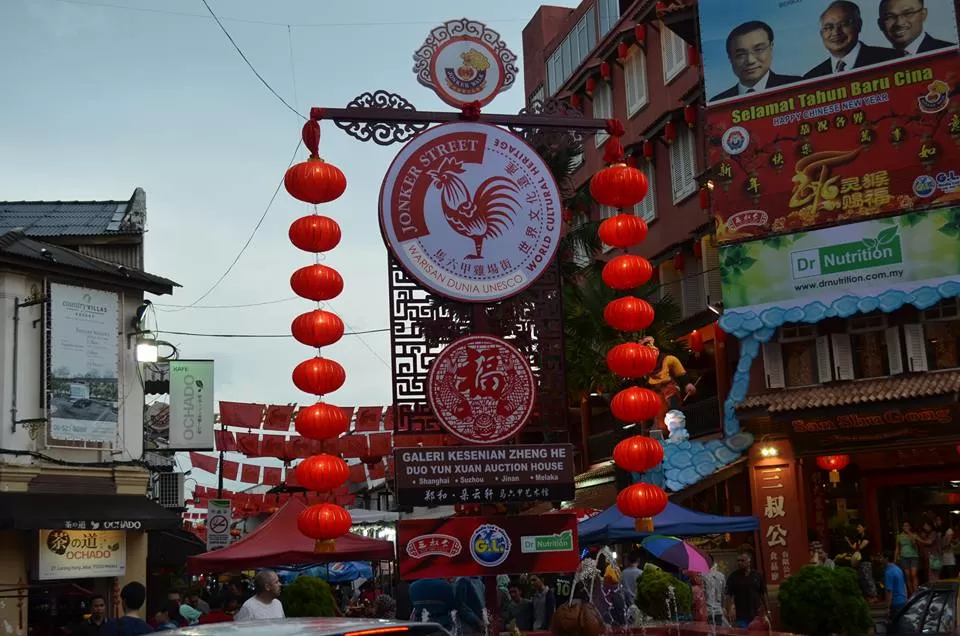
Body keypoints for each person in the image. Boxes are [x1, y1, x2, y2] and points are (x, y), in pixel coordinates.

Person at [804, 1, 902, 78]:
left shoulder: (892, 58)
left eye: (843, 24)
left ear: (859, 25)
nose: (836, 32)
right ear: (821, 34)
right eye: (828, 27)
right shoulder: (811, 77)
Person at [711, 21, 802, 100]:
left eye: (758, 50)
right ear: (730, 58)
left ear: (771, 48)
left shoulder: (797, 86)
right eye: (740, 55)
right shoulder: (718, 101)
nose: (750, 61)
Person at [878, 0, 955, 54]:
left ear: (923, 15)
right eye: (890, 17)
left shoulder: (951, 52)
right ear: (880, 24)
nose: (899, 23)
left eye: (908, 13)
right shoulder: (876, 62)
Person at [724, 551, 767, 628]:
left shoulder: (757, 575)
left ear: (749, 561)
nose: (739, 563)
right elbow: (728, 595)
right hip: (741, 615)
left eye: (742, 560)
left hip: (756, 614)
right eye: (738, 561)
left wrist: (767, 610)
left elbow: (763, 593)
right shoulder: (733, 577)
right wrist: (729, 610)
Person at [847, 523, 877, 598]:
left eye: (859, 527)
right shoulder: (858, 538)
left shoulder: (867, 537)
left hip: (866, 560)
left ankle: (874, 596)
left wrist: (858, 544)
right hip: (859, 561)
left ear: (864, 528)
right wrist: (848, 541)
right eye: (857, 527)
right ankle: (867, 596)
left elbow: (861, 547)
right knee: (862, 579)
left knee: (868, 578)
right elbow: (854, 547)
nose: (858, 529)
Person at [880, 551, 908, 618]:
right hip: (903, 601)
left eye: (881, 557)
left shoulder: (888, 572)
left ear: (886, 559)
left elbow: (889, 592)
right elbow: (904, 585)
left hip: (895, 603)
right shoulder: (899, 569)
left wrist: (888, 608)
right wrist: (906, 599)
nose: (880, 559)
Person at [895, 521, 921, 595]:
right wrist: (895, 558)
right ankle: (912, 593)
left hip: (913, 556)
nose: (905, 527)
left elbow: (914, 543)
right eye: (904, 526)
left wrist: (910, 533)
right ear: (902, 527)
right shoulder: (899, 536)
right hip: (904, 557)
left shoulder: (914, 535)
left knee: (914, 574)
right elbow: (897, 548)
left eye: (907, 526)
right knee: (907, 575)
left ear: (910, 527)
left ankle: (916, 592)